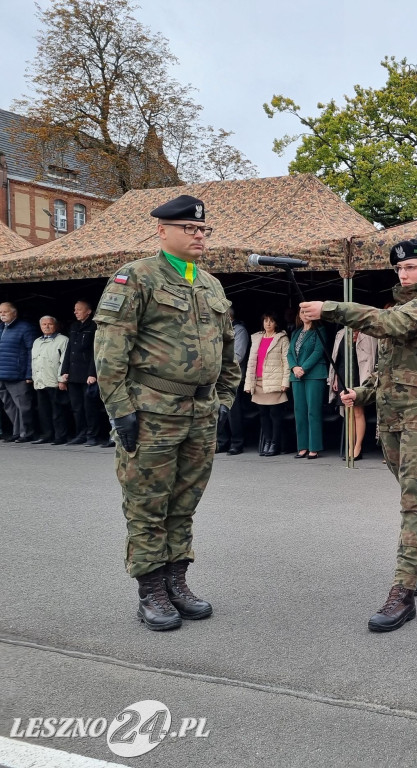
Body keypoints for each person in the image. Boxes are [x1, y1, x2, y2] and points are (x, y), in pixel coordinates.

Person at [93, 194, 240, 632]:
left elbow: (228, 351)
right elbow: (110, 352)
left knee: (184, 502)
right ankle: (151, 591)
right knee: (147, 505)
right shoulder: (135, 277)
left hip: (200, 410)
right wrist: (121, 411)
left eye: (203, 230)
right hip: (152, 410)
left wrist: (224, 399)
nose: (199, 235)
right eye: (189, 229)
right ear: (162, 231)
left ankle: (177, 582)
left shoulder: (211, 285)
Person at [299, 238, 417, 633]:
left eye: (414, 267)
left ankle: (401, 592)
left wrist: (332, 308)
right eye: (400, 269)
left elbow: (392, 326)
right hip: (394, 420)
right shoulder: (402, 305)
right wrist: (363, 393)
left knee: (414, 501)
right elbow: (390, 370)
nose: (405, 274)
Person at [60, 300, 109, 446]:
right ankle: (80, 434)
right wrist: (64, 372)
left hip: (88, 374)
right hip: (74, 374)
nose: (75, 312)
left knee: (90, 408)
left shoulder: (94, 327)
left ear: (88, 311)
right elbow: (69, 351)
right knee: (77, 407)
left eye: (79, 309)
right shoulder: (74, 326)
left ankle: (92, 435)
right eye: (75, 309)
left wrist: (93, 373)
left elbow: (96, 352)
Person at [328, 326, 377, 460]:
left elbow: (373, 358)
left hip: (360, 374)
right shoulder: (341, 334)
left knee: (358, 411)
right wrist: (335, 378)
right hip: (344, 374)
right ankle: (350, 446)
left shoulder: (368, 333)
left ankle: (358, 447)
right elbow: (337, 358)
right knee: (348, 412)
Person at [244, 313, 290, 457]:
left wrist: (285, 382)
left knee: (275, 415)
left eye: (271, 321)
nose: (268, 323)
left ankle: (275, 444)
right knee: (263, 414)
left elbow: (286, 361)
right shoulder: (256, 338)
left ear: (276, 323)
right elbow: (251, 363)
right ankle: (268, 442)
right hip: (258, 382)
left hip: (275, 381)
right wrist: (248, 383)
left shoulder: (282, 338)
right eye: (266, 321)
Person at [288, 316, 328, 459]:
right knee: (299, 411)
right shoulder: (296, 332)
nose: (304, 314)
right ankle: (302, 446)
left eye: (307, 311)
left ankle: (314, 447)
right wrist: (294, 368)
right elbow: (289, 353)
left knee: (313, 411)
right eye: (301, 312)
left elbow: (318, 352)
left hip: (314, 374)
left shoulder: (320, 330)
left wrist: (303, 368)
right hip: (296, 376)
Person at [0, 301, 37, 442]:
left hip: (18, 375)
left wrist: (29, 374)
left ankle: (26, 433)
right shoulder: (1, 327)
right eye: (0, 312)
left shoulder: (25, 328)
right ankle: (17, 431)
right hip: (2, 374)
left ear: (14, 313)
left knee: (23, 406)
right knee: (9, 406)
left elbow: (31, 352)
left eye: (5, 311)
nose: (2, 314)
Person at [30, 316, 70, 445]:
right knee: (44, 411)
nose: (46, 326)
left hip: (55, 381)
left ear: (56, 325)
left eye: (49, 324)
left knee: (58, 411)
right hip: (40, 381)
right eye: (43, 324)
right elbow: (34, 361)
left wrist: (62, 379)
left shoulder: (63, 340)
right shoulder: (37, 341)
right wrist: (34, 378)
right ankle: (47, 435)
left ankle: (60, 436)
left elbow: (64, 361)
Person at [217, 308, 249, 455]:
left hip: (232, 377)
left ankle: (237, 442)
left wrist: (217, 361)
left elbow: (238, 355)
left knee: (232, 412)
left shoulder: (240, 331)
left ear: (228, 317)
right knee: (218, 410)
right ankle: (222, 441)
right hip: (217, 377)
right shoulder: (218, 330)